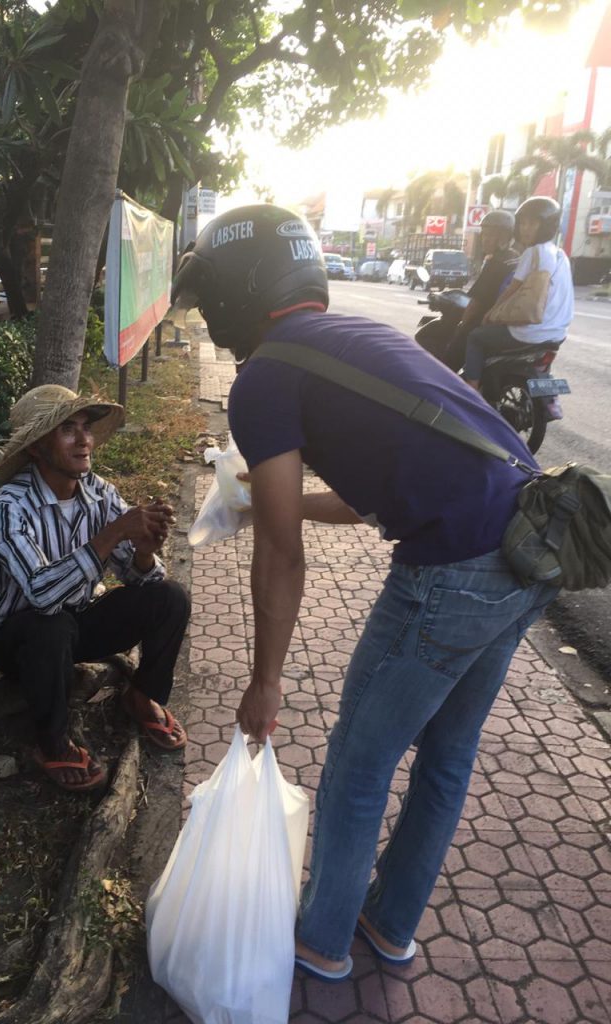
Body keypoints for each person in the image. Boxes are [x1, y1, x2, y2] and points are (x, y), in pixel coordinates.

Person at [171, 204, 559, 979]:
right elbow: (364, 499)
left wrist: (265, 682)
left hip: (454, 571)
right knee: (448, 756)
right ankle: (389, 927)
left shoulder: (266, 378)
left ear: (241, 291)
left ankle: (320, 940)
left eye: (211, 295)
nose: (210, 314)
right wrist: (258, 500)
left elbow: (283, 556)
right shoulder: (359, 338)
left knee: (357, 760)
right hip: (530, 550)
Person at [0, 384, 190, 792]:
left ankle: (142, 695)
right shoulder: (8, 507)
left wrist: (144, 554)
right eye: (67, 430)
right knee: (51, 624)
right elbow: (41, 595)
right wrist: (113, 533)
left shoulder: (99, 493)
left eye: (86, 428)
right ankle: (52, 742)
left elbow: (140, 579)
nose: (84, 440)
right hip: (20, 640)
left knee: (169, 596)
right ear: (37, 448)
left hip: (74, 625)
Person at [464, 196, 574, 390]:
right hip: (557, 334)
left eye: (532, 224)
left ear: (546, 225)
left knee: (476, 336)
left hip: (530, 332)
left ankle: (471, 390)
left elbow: (511, 290)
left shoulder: (533, 252)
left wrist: (491, 314)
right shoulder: (561, 255)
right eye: (523, 223)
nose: (525, 229)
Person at [439, 208, 520, 371]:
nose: (484, 239)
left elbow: (476, 302)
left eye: (490, 235)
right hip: (506, 321)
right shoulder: (515, 257)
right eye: (484, 234)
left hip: (486, 320)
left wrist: (462, 324)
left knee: (448, 363)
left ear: (503, 237)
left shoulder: (496, 263)